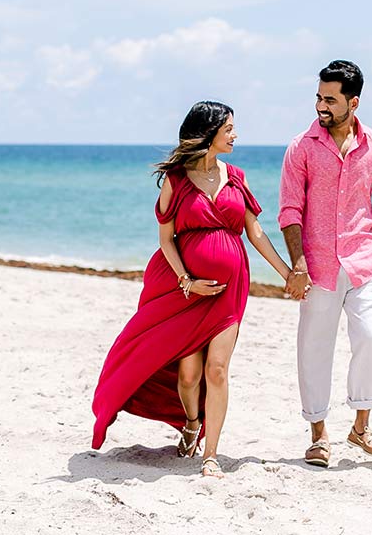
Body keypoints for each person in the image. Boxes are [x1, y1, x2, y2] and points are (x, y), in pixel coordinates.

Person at [91, 101, 293, 478]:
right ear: (210, 132)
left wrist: (286, 273)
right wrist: (187, 281)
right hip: (184, 293)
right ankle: (190, 423)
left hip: (230, 290)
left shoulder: (236, 176)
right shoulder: (177, 180)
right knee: (188, 376)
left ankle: (211, 455)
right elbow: (166, 239)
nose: (235, 135)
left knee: (216, 370)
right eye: (229, 128)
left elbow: (255, 233)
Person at [278, 60, 372, 468]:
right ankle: (318, 435)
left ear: (354, 101)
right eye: (318, 96)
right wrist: (298, 264)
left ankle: (361, 425)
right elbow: (290, 210)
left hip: (366, 262)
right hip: (317, 267)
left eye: (329, 99)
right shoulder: (301, 147)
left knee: (370, 339)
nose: (321, 105)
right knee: (314, 348)